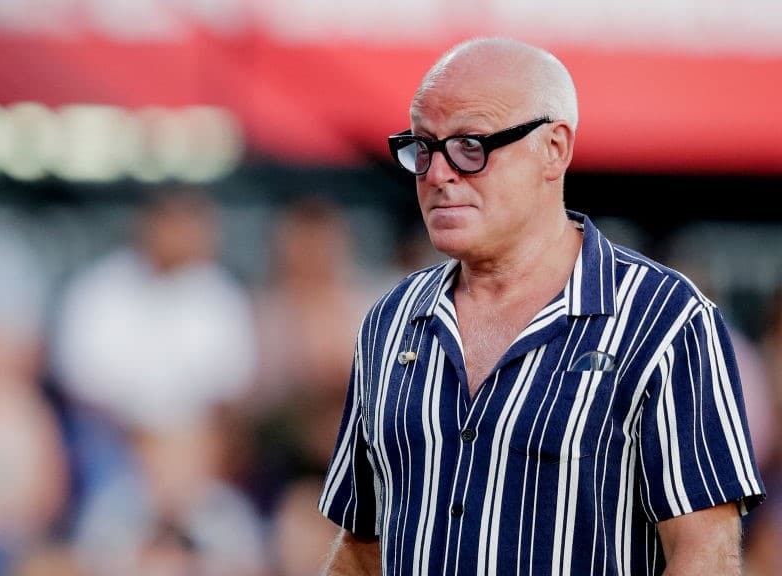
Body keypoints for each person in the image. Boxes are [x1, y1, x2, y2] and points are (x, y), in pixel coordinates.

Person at [317, 37, 766, 575]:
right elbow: (363, 549)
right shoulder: (390, 321)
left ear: (554, 149)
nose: (437, 174)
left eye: (470, 146)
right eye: (422, 147)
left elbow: (705, 556)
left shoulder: (666, 320)